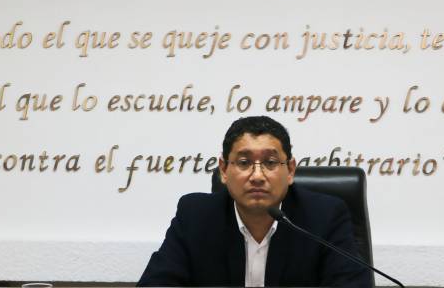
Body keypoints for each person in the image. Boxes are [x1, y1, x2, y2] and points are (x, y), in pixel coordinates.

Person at [137, 116, 371, 287]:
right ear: (224, 170)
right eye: (244, 163)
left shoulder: (325, 217)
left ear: (290, 170)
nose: (257, 176)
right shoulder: (195, 216)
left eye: (270, 163)